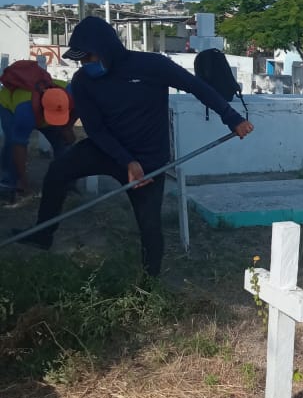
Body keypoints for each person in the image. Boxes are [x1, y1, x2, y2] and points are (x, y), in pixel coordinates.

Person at [16, 16, 254, 277]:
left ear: (106, 49)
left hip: (148, 160)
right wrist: (126, 160)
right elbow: (95, 129)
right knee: (58, 171)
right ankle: (42, 235)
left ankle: (149, 286)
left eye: (88, 58)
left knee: (149, 225)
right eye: (81, 60)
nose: (85, 64)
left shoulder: (151, 66)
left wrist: (232, 118)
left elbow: (196, 87)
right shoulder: (83, 81)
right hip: (107, 150)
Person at [0, 66, 75, 202]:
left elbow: (77, 109)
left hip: (39, 110)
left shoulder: (69, 93)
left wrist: (67, 127)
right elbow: (19, 146)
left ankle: (66, 182)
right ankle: (8, 183)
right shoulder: (25, 112)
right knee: (11, 142)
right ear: (43, 108)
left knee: (63, 142)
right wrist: (24, 181)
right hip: (9, 106)